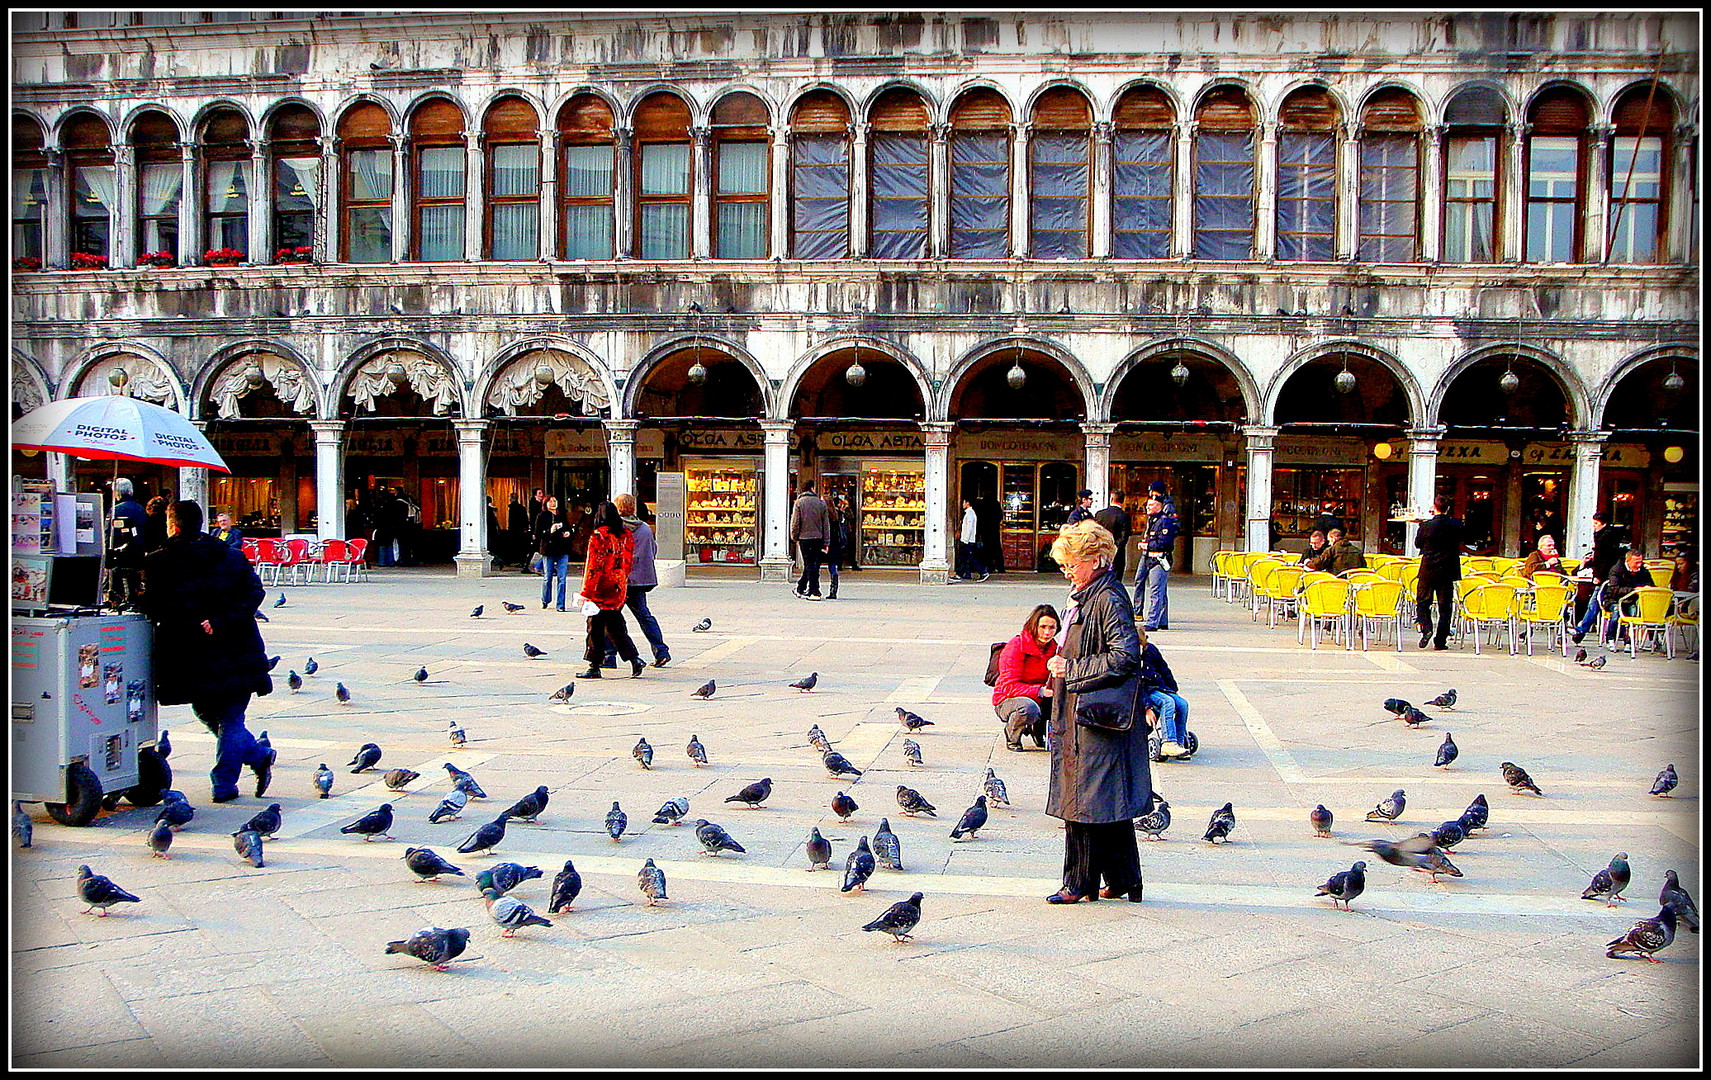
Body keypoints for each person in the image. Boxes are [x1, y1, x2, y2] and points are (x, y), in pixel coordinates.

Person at [1042, 519, 1151, 905]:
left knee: (1084, 799)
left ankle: (1079, 882)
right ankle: (1124, 879)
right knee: (1105, 798)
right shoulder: (1090, 595)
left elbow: (1125, 656)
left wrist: (1070, 669)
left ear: (1096, 559)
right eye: (1064, 564)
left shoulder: (1107, 597)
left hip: (1094, 714)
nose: (1066, 571)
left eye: (1072, 563)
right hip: (1086, 711)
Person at [140, 500, 275, 803]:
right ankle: (257, 755)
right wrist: (225, 620)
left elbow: (153, 605)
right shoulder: (232, 556)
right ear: (201, 523)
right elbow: (255, 592)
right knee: (215, 714)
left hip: (191, 652)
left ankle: (224, 783)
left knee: (227, 717)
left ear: (172, 525)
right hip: (233, 646)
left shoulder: (159, 561)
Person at [577, 501, 645, 680]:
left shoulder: (599, 536)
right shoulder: (626, 535)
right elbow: (628, 562)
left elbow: (594, 566)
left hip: (601, 587)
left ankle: (594, 665)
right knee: (616, 627)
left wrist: (586, 592)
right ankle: (634, 659)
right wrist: (621, 580)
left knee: (595, 628)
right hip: (619, 586)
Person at [603, 493, 671, 667]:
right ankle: (661, 650)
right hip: (639, 580)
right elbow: (653, 550)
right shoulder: (645, 528)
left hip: (619, 580)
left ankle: (609, 656)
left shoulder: (614, 528)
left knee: (609, 617)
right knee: (644, 616)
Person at [993, 604, 1058, 751]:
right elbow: (1008, 687)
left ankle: (1041, 731)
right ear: (1034, 626)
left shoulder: (1054, 649)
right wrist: (1040, 691)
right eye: (1043, 627)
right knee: (1028, 708)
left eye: (1052, 628)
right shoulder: (1016, 646)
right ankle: (1012, 736)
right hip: (1008, 699)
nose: (1047, 632)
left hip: (1040, 697)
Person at [1572, 547, 1656, 648]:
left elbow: (1650, 584)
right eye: (1636, 563)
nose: (1639, 565)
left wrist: (1647, 588)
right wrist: (1634, 590)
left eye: (1640, 562)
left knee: (1636, 611)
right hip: (1613, 599)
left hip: (1632, 600)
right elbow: (1614, 589)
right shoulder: (1616, 570)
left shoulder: (1643, 571)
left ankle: (1632, 639)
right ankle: (1610, 637)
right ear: (1627, 561)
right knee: (1616, 611)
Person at [1414, 495, 1465, 650]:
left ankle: (1426, 627)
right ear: (1448, 508)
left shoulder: (1426, 525)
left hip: (1428, 569)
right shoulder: (1457, 525)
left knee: (1423, 601)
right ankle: (1440, 641)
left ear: (1434, 508)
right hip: (1448, 569)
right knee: (1445, 607)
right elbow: (1464, 538)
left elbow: (1418, 544)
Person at [1136, 626, 1191, 759]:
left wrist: (1173, 689)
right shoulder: (1132, 658)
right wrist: (1147, 707)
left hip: (1160, 687)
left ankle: (1179, 741)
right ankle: (1168, 741)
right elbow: (1137, 685)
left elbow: (1164, 669)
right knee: (1168, 702)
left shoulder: (1151, 650)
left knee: (1182, 704)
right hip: (1146, 690)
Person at [1135, 493, 1178, 631]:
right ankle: (1162, 620)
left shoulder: (1165, 521)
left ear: (1159, 506)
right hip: (1149, 557)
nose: (1148, 507)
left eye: (1152, 505)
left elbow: (1165, 543)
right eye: (1148, 504)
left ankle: (1153, 621)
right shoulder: (1151, 520)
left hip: (1159, 558)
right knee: (1159, 590)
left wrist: (1148, 545)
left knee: (1156, 591)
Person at [105, 477, 148, 610]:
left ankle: (116, 602)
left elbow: (108, 534)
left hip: (119, 554)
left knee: (115, 584)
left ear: (116, 492)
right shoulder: (141, 509)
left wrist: (107, 552)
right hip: (138, 553)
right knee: (134, 582)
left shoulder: (115, 510)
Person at [790, 480, 832, 599]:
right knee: (813, 564)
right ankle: (802, 588)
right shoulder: (821, 503)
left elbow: (795, 522)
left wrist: (795, 536)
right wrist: (826, 541)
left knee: (809, 564)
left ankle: (814, 591)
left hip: (804, 538)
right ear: (812, 488)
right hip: (818, 538)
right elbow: (826, 525)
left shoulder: (799, 503)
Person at [534, 496, 573, 610]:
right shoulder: (541, 516)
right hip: (549, 549)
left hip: (563, 549)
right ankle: (545, 599)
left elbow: (569, 528)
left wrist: (568, 533)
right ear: (545, 504)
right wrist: (550, 531)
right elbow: (538, 534)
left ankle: (560, 605)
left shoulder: (562, 515)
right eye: (550, 501)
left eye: (555, 501)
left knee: (562, 578)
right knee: (548, 577)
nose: (553, 503)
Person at [1093, 497, 1132, 583]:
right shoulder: (1124, 516)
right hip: (1118, 552)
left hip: (1101, 550)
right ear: (1123, 501)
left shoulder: (1100, 514)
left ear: (1111, 499)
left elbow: (1095, 532)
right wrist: (1115, 547)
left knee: (1100, 577)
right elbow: (1124, 537)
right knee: (1116, 579)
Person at [956, 497, 987, 581]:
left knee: (971, 558)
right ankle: (961, 574)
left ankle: (983, 571)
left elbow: (969, 528)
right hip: (967, 540)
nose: (962, 504)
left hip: (968, 541)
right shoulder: (968, 513)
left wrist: (965, 540)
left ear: (968, 503)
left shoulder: (970, 514)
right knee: (964, 558)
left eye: (964, 502)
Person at [835, 495, 860, 570]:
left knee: (850, 548)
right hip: (838, 531)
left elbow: (851, 516)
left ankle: (853, 564)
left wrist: (844, 512)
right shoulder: (834, 510)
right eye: (839, 503)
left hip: (846, 530)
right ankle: (839, 565)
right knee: (839, 548)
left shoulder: (847, 509)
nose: (840, 505)